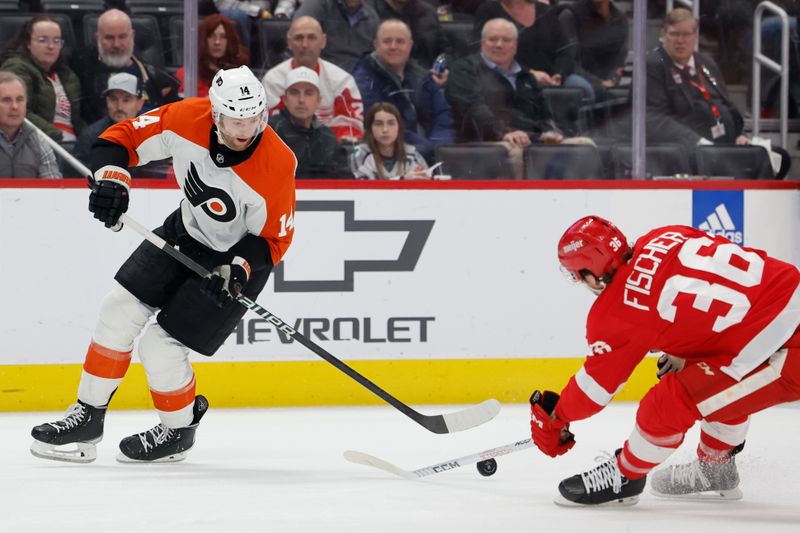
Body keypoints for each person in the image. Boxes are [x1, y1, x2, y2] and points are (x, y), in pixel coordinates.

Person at [29, 65, 296, 463]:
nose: (244, 130)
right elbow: (119, 140)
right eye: (235, 119)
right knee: (117, 310)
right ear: (216, 113)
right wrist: (113, 181)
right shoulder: (186, 117)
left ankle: (178, 429)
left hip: (234, 263)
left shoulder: (277, 164)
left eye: (253, 119)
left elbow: (274, 239)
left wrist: (236, 269)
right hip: (184, 231)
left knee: (160, 344)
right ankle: (88, 415)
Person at [529, 215, 800, 506]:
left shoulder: (615, 311)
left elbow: (595, 389)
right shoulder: (666, 234)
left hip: (788, 347)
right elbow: (713, 288)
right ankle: (715, 469)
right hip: (784, 304)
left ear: (590, 274)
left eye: (577, 276)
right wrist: (684, 350)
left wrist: (557, 415)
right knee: (709, 382)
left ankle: (625, 477)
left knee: (669, 403)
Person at [647, 8, 790, 178]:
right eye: (674, 34)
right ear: (663, 35)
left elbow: (724, 105)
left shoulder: (705, 62)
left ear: (696, 36)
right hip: (688, 149)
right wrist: (697, 142)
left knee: (780, 157)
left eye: (685, 34)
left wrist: (739, 135)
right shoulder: (653, 65)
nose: (680, 41)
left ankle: (758, 203)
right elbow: (653, 118)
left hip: (724, 143)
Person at [445, 18, 563, 177]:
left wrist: (550, 133)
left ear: (515, 46)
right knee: (514, 152)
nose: (499, 44)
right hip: (489, 140)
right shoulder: (464, 69)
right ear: (482, 43)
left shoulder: (526, 76)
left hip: (531, 139)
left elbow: (544, 114)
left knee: (583, 146)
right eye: (492, 39)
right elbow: (473, 108)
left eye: (506, 40)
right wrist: (504, 132)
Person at [353, 18, 455, 161]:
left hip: (433, 151)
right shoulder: (363, 80)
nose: (393, 47)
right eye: (387, 41)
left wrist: (441, 144)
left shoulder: (421, 74)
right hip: (394, 156)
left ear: (410, 45)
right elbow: (383, 126)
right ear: (376, 45)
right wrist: (429, 149)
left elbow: (443, 113)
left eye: (400, 41)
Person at [262, 16, 364, 142]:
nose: (305, 44)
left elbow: (351, 129)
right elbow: (273, 128)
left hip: (330, 152)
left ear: (323, 41)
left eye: (312, 37)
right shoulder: (273, 81)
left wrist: (323, 146)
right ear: (289, 42)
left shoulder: (342, 81)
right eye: (299, 38)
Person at [472, 0, 595, 102]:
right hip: (511, 76)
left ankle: (571, 130)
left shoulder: (545, 11)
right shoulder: (489, 9)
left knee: (582, 87)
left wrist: (558, 74)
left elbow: (565, 50)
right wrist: (529, 74)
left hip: (551, 79)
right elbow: (483, 52)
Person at [78, 8, 180, 124]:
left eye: (122, 37)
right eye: (109, 38)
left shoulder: (153, 75)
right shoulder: (84, 73)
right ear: (98, 39)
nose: (116, 44)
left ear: (132, 36)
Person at [0, 15, 84, 143]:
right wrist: (56, 135)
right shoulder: (17, 68)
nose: (51, 46)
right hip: (47, 144)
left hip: (74, 143)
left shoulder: (67, 74)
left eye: (56, 41)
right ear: (28, 43)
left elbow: (78, 118)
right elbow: (21, 113)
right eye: (43, 40)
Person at [268, 66, 353, 178]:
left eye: (308, 93)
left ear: (318, 100)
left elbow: (345, 182)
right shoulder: (269, 133)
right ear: (285, 100)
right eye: (294, 93)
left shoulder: (327, 137)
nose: (301, 100)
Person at [558, 0, 628, 101]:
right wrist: (599, 83)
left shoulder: (620, 19)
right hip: (581, 91)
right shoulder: (570, 16)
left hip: (610, 89)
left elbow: (620, 60)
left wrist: (612, 80)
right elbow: (568, 64)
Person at [0, 70, 61, 178]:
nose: (14, 106)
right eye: (6, 100)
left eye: (20, 100)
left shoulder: (38, 140)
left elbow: (53, 188)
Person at [294, 0, 380, 73]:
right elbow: (296, 38)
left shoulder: (372, 17)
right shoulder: (318, 5)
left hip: (355, 80)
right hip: (318, 73)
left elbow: (372, 60)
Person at [176, 14, 249, 98]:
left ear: (230, 40)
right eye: (212, 36)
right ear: (203, 39)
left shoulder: (240, 73)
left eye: (223, 37)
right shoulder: (187, 74)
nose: (217, 42)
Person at [351, 101, 429, 179]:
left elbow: (429, 185)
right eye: (378, 124)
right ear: (370, 128)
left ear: (399, 127)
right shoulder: (360, 154)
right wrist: (403, 181)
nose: (385, 130)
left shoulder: (412, 155)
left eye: (391, 123)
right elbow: (362, 189)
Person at [367, 0, 449, 68]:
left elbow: (443, 50)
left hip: (429, 79)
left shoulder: (428, 12)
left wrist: (440, 70)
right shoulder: (368, 15)